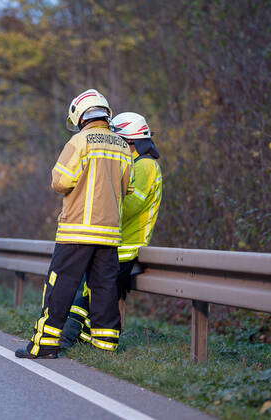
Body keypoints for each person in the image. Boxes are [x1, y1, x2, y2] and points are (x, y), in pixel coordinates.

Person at [15, 89, 133, 359]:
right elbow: (128, 187)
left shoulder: (79, 142)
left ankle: (44, 344)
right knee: (104, 287)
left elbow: (61, 182)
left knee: (61, 286)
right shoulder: (123, 145)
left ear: (81, 115)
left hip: (77, 231)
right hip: (109, 233)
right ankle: (105, 346)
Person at [60, 112, 163, 347]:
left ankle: (70, 338)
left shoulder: (146, 166)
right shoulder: (135, 164)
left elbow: (131, 205)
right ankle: (84, 340)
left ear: (130, 141)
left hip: (127, 245)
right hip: (114, 241)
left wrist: (101, 203)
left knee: (93, 293)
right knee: (91, 291)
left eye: (119, 141)